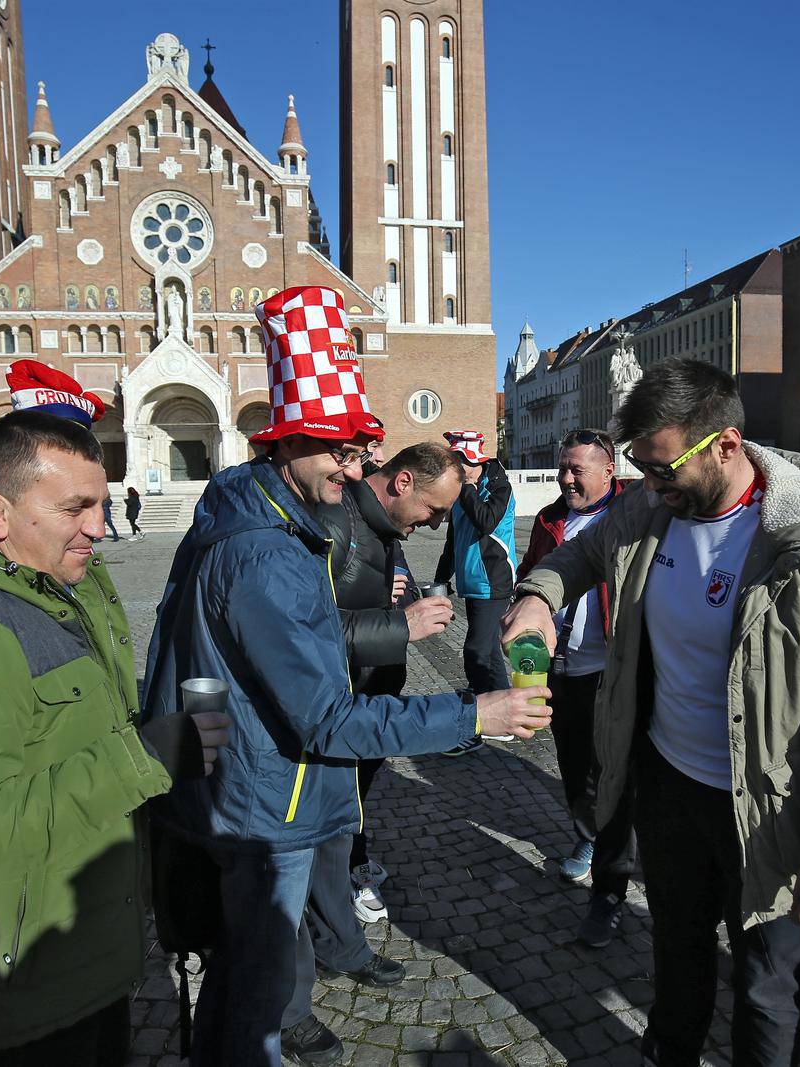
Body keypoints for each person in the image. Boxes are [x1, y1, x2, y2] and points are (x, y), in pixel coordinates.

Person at [143, 286, 551, 1067]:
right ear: (286, 442)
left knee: (246, 974)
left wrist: (204, 767)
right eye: (339, 450)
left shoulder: (246, 519)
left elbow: (227, 658)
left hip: (247, 785)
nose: (353, 468)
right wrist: (476, 715)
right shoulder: (264, 550)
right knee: (253, 994)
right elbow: (327, 718)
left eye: (358, 450)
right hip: (271, 802)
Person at [505, 358, 800, 1066]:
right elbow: (578, 557)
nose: (652, 486)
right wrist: (540, 596)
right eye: (640, 469)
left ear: (725, 443)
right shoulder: (647, 510)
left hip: (769, 808)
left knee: (764, 983)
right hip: (667, 784)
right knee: (676, 946)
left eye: (662, 469)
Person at [0, 392, 226, 1063]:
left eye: (99, 502)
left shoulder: (60, 583)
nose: (99, 525)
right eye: (75, 509)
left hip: (84, 945)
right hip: (22, 972)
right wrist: (144, 758)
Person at [318, 441, 462, 925]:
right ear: (402, 483)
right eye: (433, 509)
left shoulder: (386, 526)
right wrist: (401, 626)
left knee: (357, 792)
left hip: (373, 693)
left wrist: (408, 597)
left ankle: (350, 867)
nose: (437, 523)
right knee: (339, 798)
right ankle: (339, 890)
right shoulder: (337, 522)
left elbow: (388, 585)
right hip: (341, 701)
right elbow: (304, 629)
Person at [516, 427, 637, 948]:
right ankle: (587, 840)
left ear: (609, 471)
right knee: (573, 770)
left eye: (576, 470)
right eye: (563, 468)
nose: (565, 478)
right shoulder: (549, 520)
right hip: (558, 669)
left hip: (611, 670)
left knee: (613, 780)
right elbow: (532, 573)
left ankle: (610, 893)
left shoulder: (634, 517)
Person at [434, 428, 517, 754]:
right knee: (488, 652)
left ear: (472, 462)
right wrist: (441, 581)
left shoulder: (498, 487)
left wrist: (466, 489)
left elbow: (485, 521)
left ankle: (484, 721)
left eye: (457, 463)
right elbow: (453, 539)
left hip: (494, 582)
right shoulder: (461, 491)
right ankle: (505, 712)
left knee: (476, 651)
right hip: (472, 582)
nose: (452, 470)